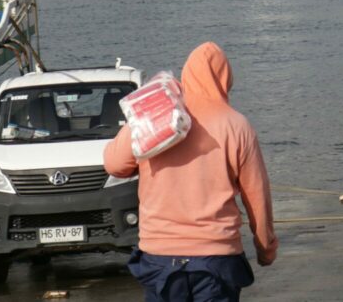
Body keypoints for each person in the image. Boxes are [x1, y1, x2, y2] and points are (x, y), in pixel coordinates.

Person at [104, 42, 277, 302]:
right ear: (225, 79)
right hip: (217, 258)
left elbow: (114, 165)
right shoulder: (236, 125)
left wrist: (140, 118)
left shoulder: (158, 117)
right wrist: (265, 248)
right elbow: (257, 197)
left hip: (159, 256)